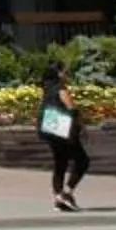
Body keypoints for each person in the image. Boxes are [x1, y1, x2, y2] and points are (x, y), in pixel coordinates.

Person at [38, 64, 89, 210]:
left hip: (50, 130)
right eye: (66, 72)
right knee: (83, 160)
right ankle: (67, 193)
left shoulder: (47, 89)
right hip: (64, 130)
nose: (68, 75)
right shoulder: (61, 88)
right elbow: (71, 108)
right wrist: (82, 126)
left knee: (60, 163)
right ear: (59, 74)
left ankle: (58, 199)